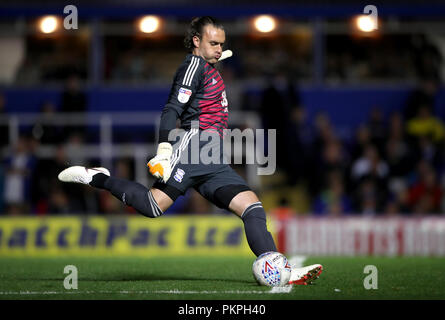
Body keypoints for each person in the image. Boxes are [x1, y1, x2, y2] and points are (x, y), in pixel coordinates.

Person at [58, 16, 322, 285]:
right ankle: (98, 177)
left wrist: (212, 57)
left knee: (252, 207)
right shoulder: (193, 66)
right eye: (213, 43)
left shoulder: (206, 64)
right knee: (153, 206)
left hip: (214, 159)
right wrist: (163, 150)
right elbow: (172, 108)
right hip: (192, 150)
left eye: (222, 44)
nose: (219, 49)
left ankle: (277, 268)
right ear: (196, 41)